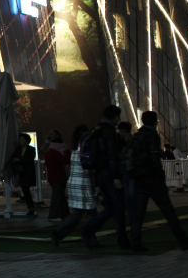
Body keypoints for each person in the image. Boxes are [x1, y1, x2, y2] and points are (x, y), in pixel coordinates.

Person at [129, 111, 188, 252]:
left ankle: (135, 242)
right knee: (168, 211)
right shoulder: (152, 136)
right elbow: (155, 159)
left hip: (139, 179)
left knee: (139, 213)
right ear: (155, 122)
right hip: (153, 179)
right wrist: (160, 178)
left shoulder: (136, 136)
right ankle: (183, 240)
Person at [81, 105, 130, 249]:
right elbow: (111, 155)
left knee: (109, 208)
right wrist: (116, 176)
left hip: (100, 173)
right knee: (118, 207)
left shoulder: (96, 129)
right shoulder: (109, 131)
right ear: (115, 117)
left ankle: (88, 229)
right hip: (110, 173)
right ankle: (122, 241)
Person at [51, 125, 99, 247]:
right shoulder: (86, 150)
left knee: (79, 213)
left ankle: (61, 233)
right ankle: (88, 238)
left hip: (75, 183)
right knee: (91, 214)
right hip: (84, 183)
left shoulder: (74, 150)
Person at [44, 129, 70, 222]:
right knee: (58, 196)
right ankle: (54, 215)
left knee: (60, 196)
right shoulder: (56, 152)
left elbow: (46, 162)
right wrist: (67, 151)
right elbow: (66, 160)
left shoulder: (49, 151)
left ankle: (64, 213)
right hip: (58, 176)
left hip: (53, 177)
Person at [10, 133, 37, 216]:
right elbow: (13, 157)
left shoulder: (31, 149)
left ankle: (31, 207)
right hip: (21, 172)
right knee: (25, 190)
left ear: (27, 140)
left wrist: (19, 160)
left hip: (28, 172)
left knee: (25, 189)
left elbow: (29, 160)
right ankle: (31, 207)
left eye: (22, 139)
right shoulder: (18, 149)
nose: (21, 141)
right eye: (20, 139)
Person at [117, 122, 136, 226]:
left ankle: (133, 218)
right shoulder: (122, 142)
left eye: (122, 132)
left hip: (130, 172)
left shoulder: (131, 142)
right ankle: (132, 218)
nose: (121, 134)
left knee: (131, 197)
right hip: (126, 172)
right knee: (128, 198)